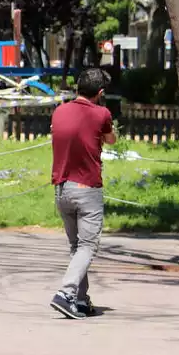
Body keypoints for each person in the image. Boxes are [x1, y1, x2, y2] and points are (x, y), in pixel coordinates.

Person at [49, 68, 116, 320]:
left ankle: (80, 300)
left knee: (77, 247)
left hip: (62, 189)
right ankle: (65, 294)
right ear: (100, 93)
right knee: (87, 246)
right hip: (87, 189)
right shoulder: (102, 114)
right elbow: (111, 140)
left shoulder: (59, 110)